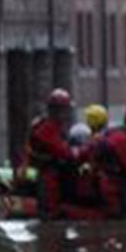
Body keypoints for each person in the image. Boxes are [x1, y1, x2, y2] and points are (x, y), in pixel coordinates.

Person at [24, 89, 78, 217]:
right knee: (50, 213)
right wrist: (80, 152)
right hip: (49, 176)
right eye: (65, 110)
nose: (67, 114)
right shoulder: (47, 129)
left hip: (53, 175)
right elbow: (65, 153)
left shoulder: (54, 127)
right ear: (57, 110)